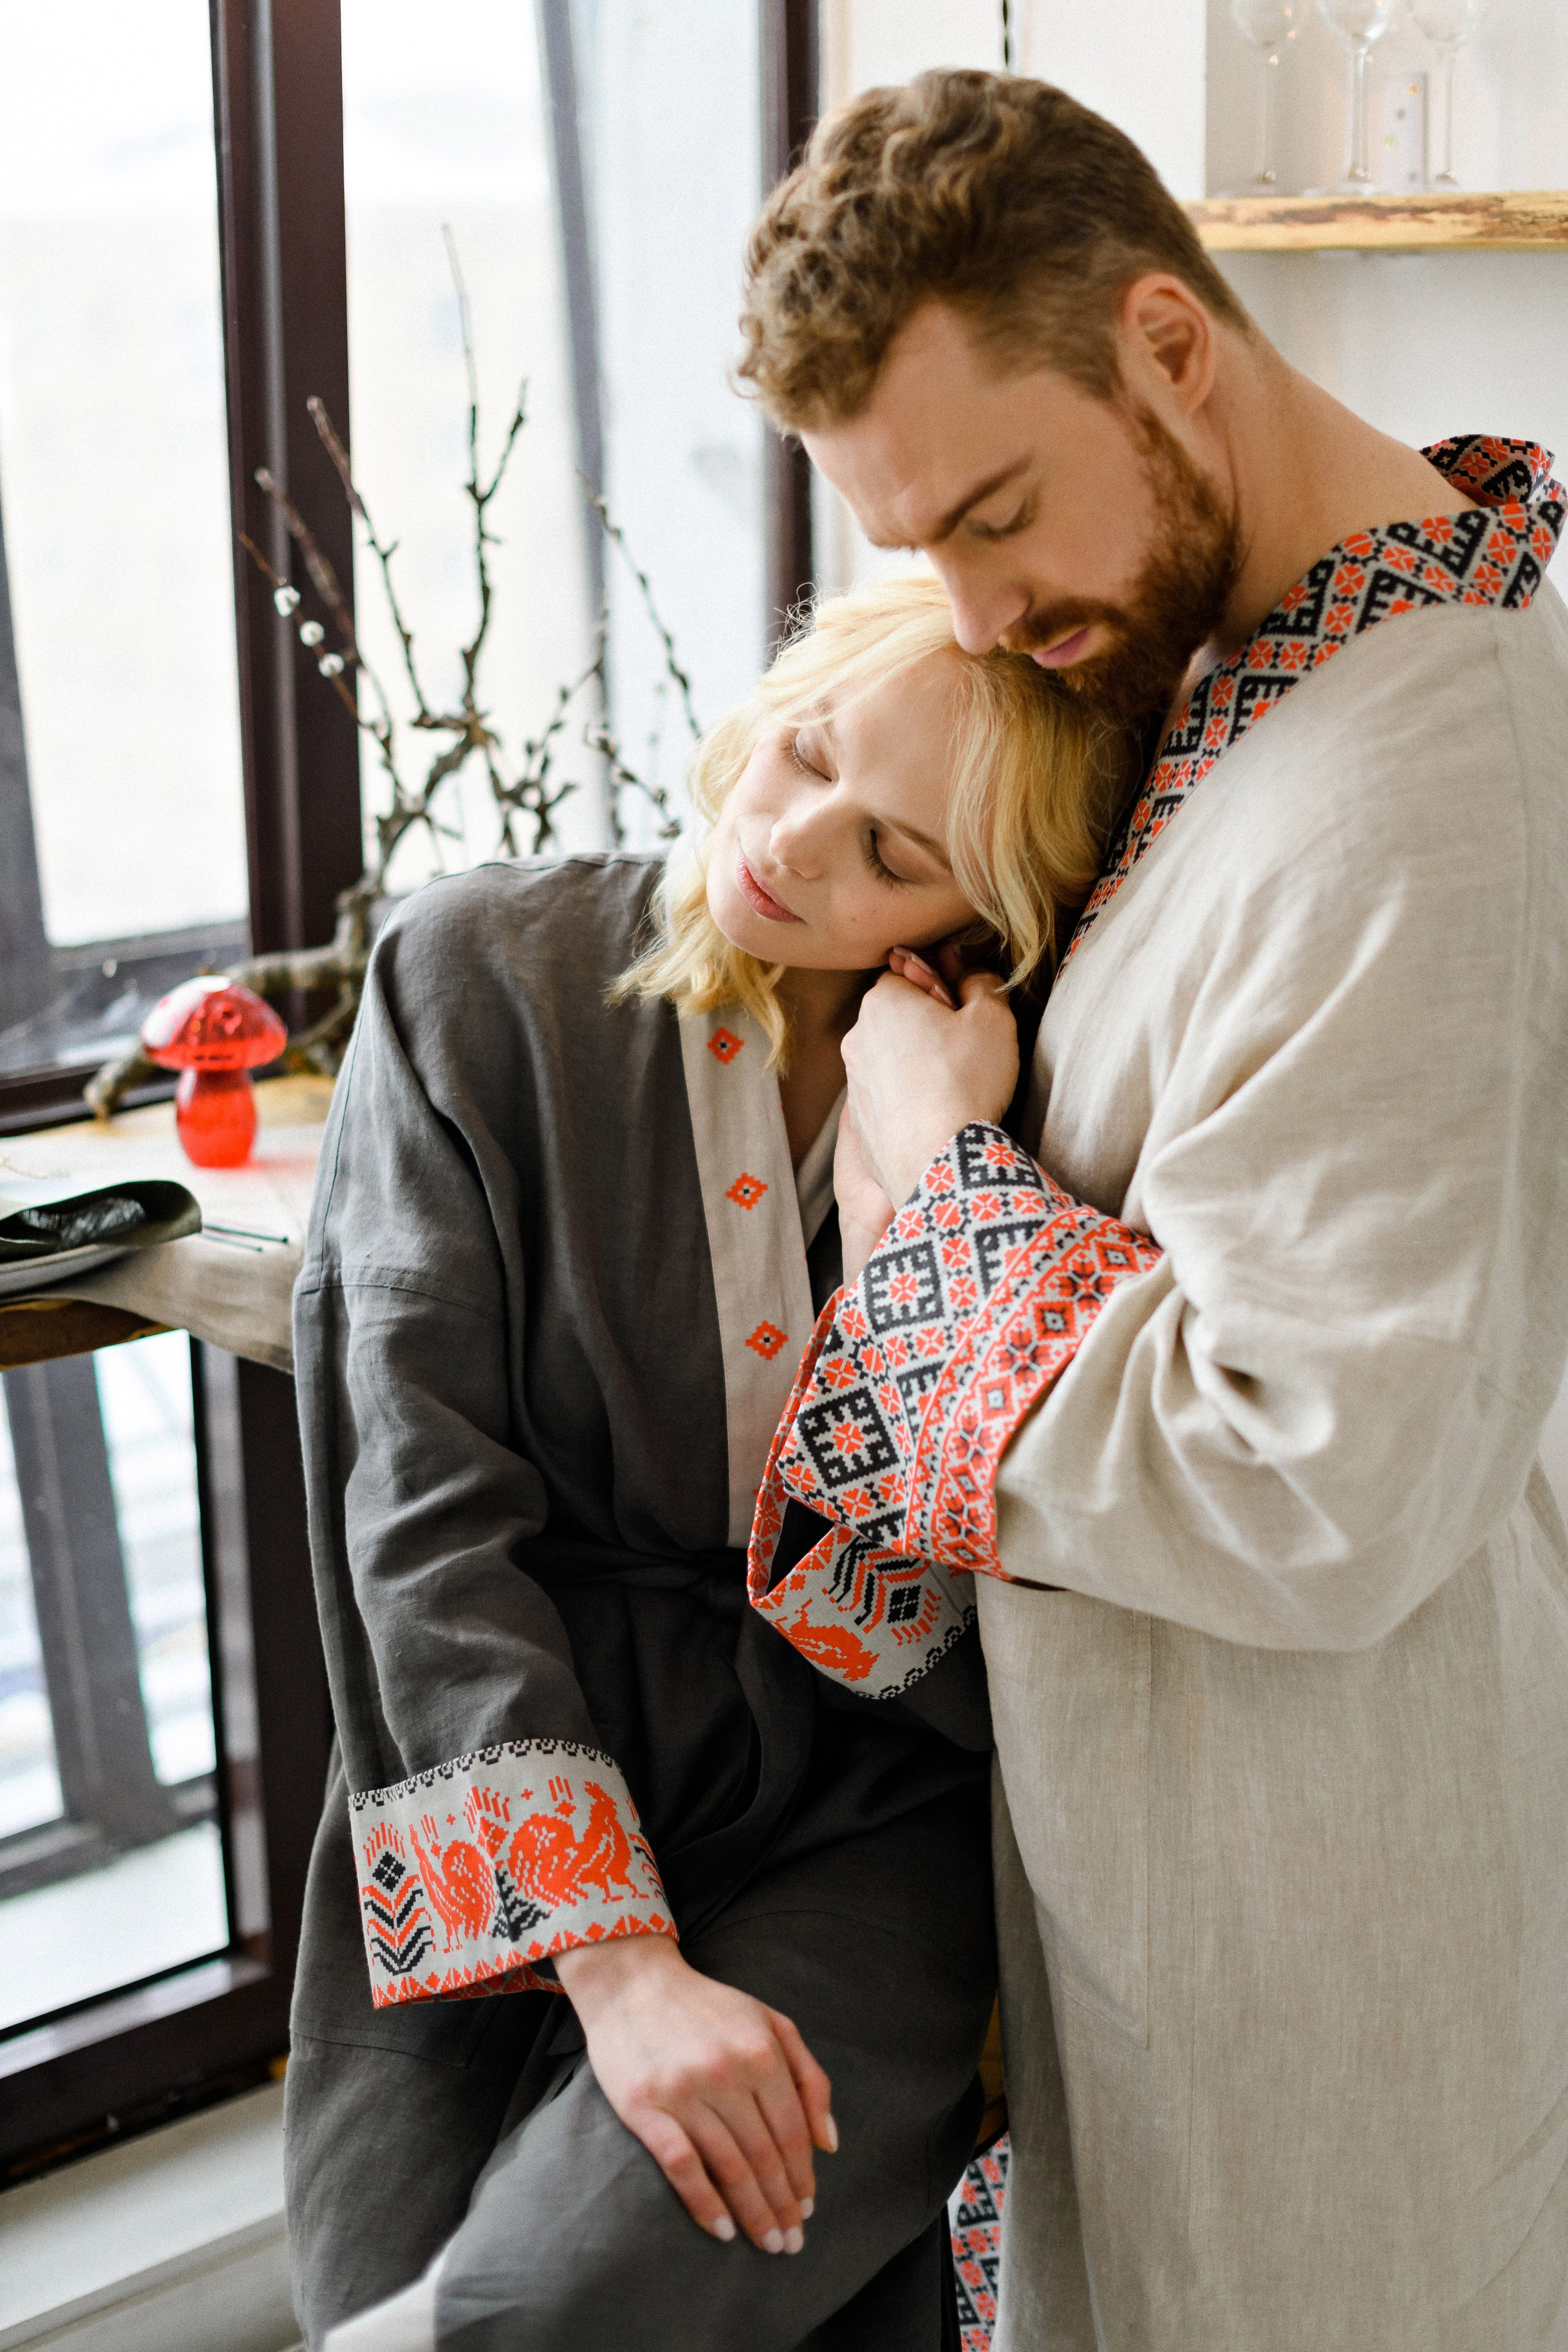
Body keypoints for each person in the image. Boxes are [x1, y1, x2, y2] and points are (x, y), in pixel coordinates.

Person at [737, 67, 1568, 2352]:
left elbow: (1319, 1481)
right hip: (1181, 1889)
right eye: (924, 551)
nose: (982, 612)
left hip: (1327, 1949)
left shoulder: (1439, 784)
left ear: (1171, 346)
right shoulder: (1244, 670)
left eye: (1000, 514)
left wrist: (936, 1183)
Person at [284, 571, 1128, 2351]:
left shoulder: (1028, 1089)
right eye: (807, 753)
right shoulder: (474, 975)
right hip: (498, 1760)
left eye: (891, 852)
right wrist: (617, 1965)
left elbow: (925, 1583)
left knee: (557, 2300)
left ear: (983, 914)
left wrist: (928, 1172)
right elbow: (414, 1508)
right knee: (380, 2284)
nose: (795, 839)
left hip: (856, 1810)